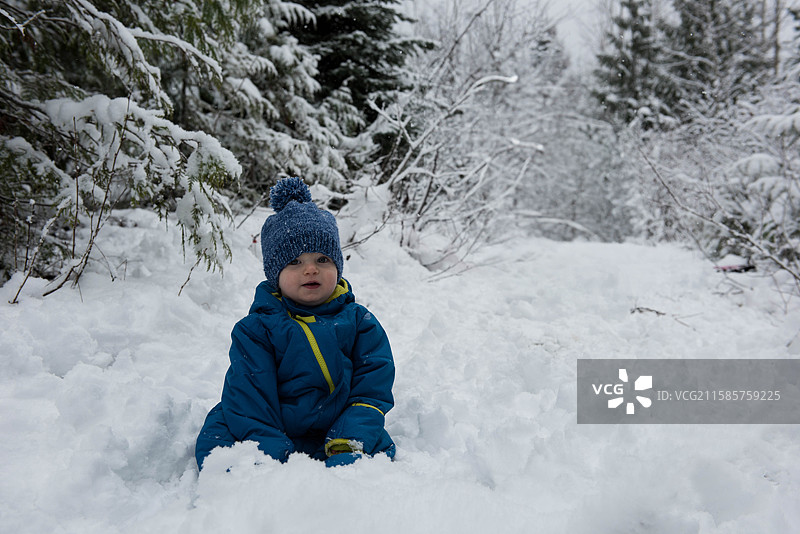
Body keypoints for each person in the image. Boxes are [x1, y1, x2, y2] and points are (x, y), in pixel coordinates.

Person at [195, 177, 396, 469]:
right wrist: (271, 452)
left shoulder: (358, 321)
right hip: (271, 423)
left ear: (337, 267)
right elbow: (250, 395)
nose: (311, 269)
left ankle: (345, 463)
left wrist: (349, 437)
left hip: (338, 425)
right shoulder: (258, 329)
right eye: (295, 262)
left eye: (323, 259)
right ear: (275, 274)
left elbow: (372, 388)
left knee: (372, 448)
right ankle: (257, 474)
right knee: (220, 436)